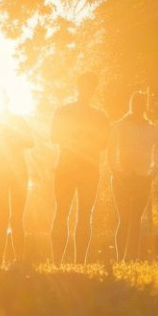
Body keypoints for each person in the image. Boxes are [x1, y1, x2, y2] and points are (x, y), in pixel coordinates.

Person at [50, 73, 111, 265]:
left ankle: (80, 262)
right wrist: (76, 138)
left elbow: (104, 143)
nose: (87, 90)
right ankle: (57, 260)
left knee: (85, 213)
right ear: (78, 87)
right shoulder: (63, 111)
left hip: (89, 169)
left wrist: (87, 138)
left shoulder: (100, 116)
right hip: (66, 168)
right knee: (62, 211)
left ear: (93, 90)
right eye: (84, 86)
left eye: (90, 87)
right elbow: (54, 136)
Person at [109, 90, 158, 262]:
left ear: (144, 106)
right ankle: (120, 258)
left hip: (142, 178)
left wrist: (151, 174)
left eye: (141, 103)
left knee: (136, 220)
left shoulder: (153, 129)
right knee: (124, 219)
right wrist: (117, 172)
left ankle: (131, 258)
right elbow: (111, 151)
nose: (138, 106)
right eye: (135, 102)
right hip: (122, 177)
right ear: (131, 104)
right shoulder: (119, 126)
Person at [0, 101, 33, 266]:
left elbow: (30, 142)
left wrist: (8, 141)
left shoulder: (10, 122)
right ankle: (1, 260)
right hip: (6, 172)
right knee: (6, 218)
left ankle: (16, 259)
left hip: (14, 172)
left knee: (13, 218)